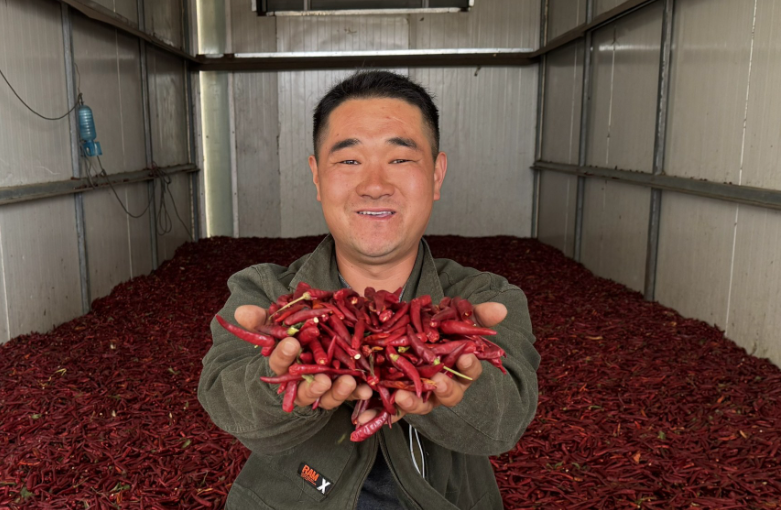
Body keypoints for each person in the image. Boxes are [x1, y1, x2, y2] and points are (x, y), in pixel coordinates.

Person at [198, 70, 540, 510]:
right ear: (316, 176)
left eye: (400, 159)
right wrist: (284, 386)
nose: (375, 186)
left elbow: (507, 418)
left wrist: (454, 388)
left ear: (437, 175)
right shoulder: (265, 293)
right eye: (348, 161)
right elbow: (226, 399)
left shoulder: (483, 298)